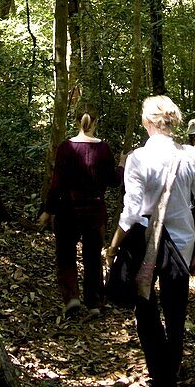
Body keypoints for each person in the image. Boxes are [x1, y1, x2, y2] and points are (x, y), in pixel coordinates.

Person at [107, 95, 195, 387]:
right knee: (176, 306)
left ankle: (160, 372)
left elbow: (131, 210)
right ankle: (172, 369)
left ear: (146, 121)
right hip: (182, 241)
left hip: (144, 239)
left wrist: (114, 245)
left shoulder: (137, 157)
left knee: (144, 303)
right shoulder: (191, 155)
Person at [38, 105, 121, 319]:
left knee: (65, 255)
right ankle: (93, 302)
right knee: (93, 257)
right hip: (94, 212)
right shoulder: (103, 149)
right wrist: (121, 165)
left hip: (67, 211)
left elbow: (56, 184)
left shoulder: (66, 148)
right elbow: (113, 181)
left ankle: (72, 299)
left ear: (76, 122)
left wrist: (48, 211)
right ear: (96, 122)